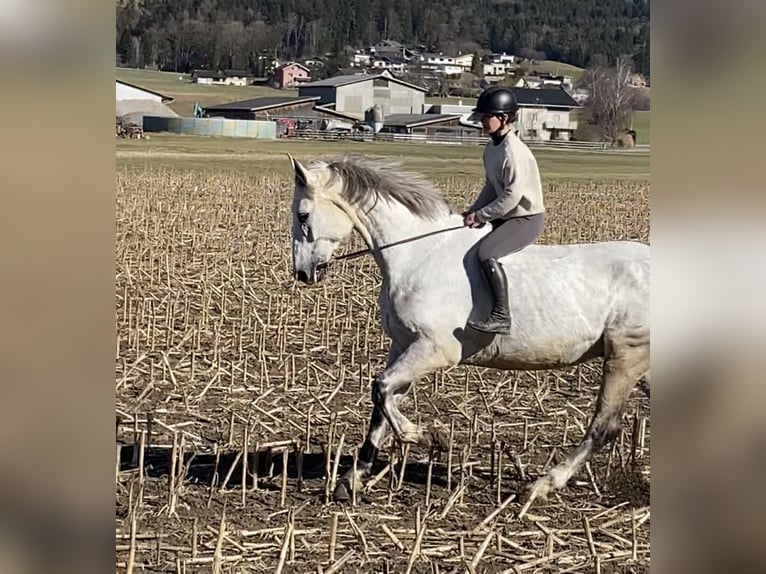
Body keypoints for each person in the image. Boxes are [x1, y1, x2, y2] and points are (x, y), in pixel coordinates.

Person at [462, 86, 546, 334]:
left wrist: (482, 216)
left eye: (487, 116)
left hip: (524, 218)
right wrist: (472, 211)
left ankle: (501, 315)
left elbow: (512, 197)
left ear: (505, 118)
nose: (482, 122)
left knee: (486, 253)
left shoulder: (514, 152)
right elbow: (492, 185)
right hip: (504, 216)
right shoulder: (492, 148)